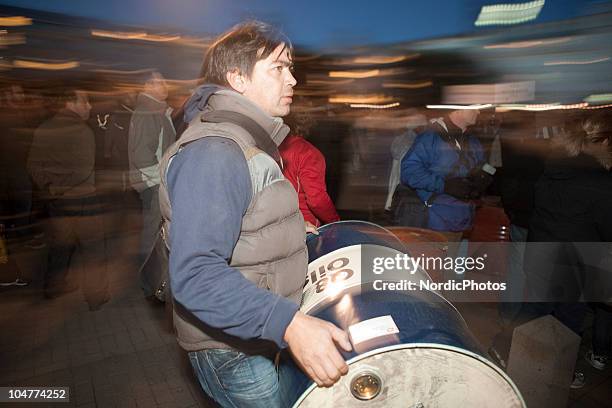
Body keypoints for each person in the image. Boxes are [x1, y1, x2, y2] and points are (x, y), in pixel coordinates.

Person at [158, 21, 351, 408]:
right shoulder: (216, 151)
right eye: (278, 68)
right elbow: (195, 274)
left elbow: (247, 221)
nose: (293, 79)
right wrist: (290, 324)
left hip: (252, 333)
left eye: (291, 67)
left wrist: (298, 230)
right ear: (237, 79)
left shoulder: (247, 138)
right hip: (231, 351)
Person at [27, 88, 110, 310]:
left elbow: (33, 166)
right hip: (83, 200)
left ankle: (53, 287)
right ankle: (95, 296)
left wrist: (50, 187)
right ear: (69, 104)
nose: (89, 106)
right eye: (85, 101)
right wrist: (58, 188)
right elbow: (83, 171)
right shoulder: (82, 131)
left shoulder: (44, 128)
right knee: (92, 249)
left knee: (60, 245)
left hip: (56, 202)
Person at [400, 108, 490, 246]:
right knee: (435, 267)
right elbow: (409, 172)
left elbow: (485, 166)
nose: (478, 111)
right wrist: (444, 185)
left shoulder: (472, 141)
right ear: (458, 110)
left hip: (464, 222)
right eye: (474, 107)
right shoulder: (431, 137)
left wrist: (484, 178)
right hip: (436, 223)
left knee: (455, 267)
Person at [128, 71, 175, 295]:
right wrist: (162, 180)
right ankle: (149, 283)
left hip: (156, 183)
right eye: (160, 81)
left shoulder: (156, 110)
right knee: (153, 233)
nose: (166, 85)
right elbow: (141, 156)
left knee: (156, 231)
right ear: (147, 86)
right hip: (154, 184)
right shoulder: (147, 112)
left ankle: (153, 279)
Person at [279, 108, 340, 227]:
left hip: (276, 224)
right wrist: (334, 222)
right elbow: (317, 200)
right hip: (304, 227)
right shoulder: (308, 153)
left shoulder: (269, 146)